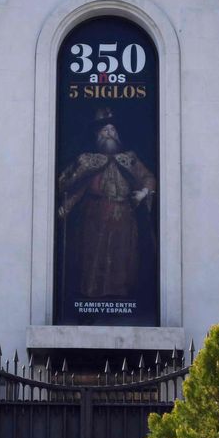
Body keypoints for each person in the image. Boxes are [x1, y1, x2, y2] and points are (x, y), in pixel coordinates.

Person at [56, 107, 157, 303]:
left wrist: (143, 193)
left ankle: (121, 293)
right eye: (104, 130)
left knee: (123, 256)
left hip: (124, 217)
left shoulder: (130, 158)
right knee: (93, 257)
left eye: (112, 130)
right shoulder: (86, 160)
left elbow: (148, 177)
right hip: (94, 217)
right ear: (97, 134)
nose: (109, 133)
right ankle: (91, 294)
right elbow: (68, 183)